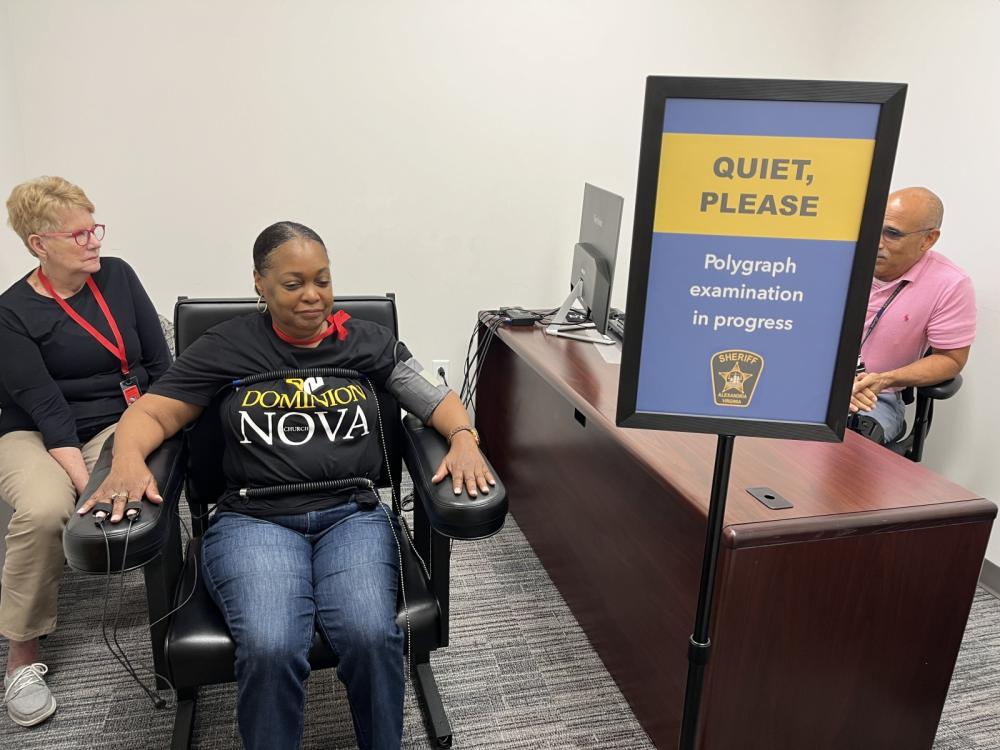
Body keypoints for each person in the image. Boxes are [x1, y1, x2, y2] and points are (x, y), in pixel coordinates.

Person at [81, 221, 494, 750]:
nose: (313, 296)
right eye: (293, 283)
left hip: (352, 514)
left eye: (322, 280)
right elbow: (152, 413)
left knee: (371, 636)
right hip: (253, 520)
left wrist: (462, 435)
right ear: (260, 284)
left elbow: (434, 399)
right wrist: (127, 459)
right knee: (273, 645)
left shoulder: (365, 340)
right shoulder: (226, 346)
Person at [0, 176, 171, 726]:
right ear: (38, 244)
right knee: (46, 511)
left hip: (122, 415)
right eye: (78, 234)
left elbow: (160, 364)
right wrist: (90, 483)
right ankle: (21, 653)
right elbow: (48, 411)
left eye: (94, 228)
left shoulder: (117, 275)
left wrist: (163, 424)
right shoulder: (11, 314)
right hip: (33, 429)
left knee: (145, 488)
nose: (93, 241)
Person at [849, 187, 976, 444]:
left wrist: (886, 379)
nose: (877, 241)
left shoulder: (950, 284)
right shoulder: (837, 257)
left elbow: (950, 359)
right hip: (811, 382)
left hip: (874, 396)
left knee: (847, 455)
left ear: (928, 239)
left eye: (892, 234)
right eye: (874, 226)